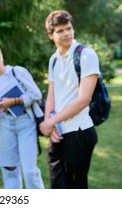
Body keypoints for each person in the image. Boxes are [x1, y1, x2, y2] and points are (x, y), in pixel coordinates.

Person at [40, 10, 99, 189]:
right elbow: (51, 95)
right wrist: (49, 123)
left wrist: (51, 123)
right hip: (59, 132)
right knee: (57, 186)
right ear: (51, 35)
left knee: (76, 188)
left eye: (69, 28)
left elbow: (83, 100)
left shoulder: (86, 55)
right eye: (60, 31)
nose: (66, 33)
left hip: (79, 131)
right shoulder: (53, 60)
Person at [0, 44, 45, 189]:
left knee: (29, 171)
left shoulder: (17, 72)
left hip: (25, 122)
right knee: (9, 169)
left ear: (2, 57)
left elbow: (36, 94)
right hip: (5, 125)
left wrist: (15, 101)